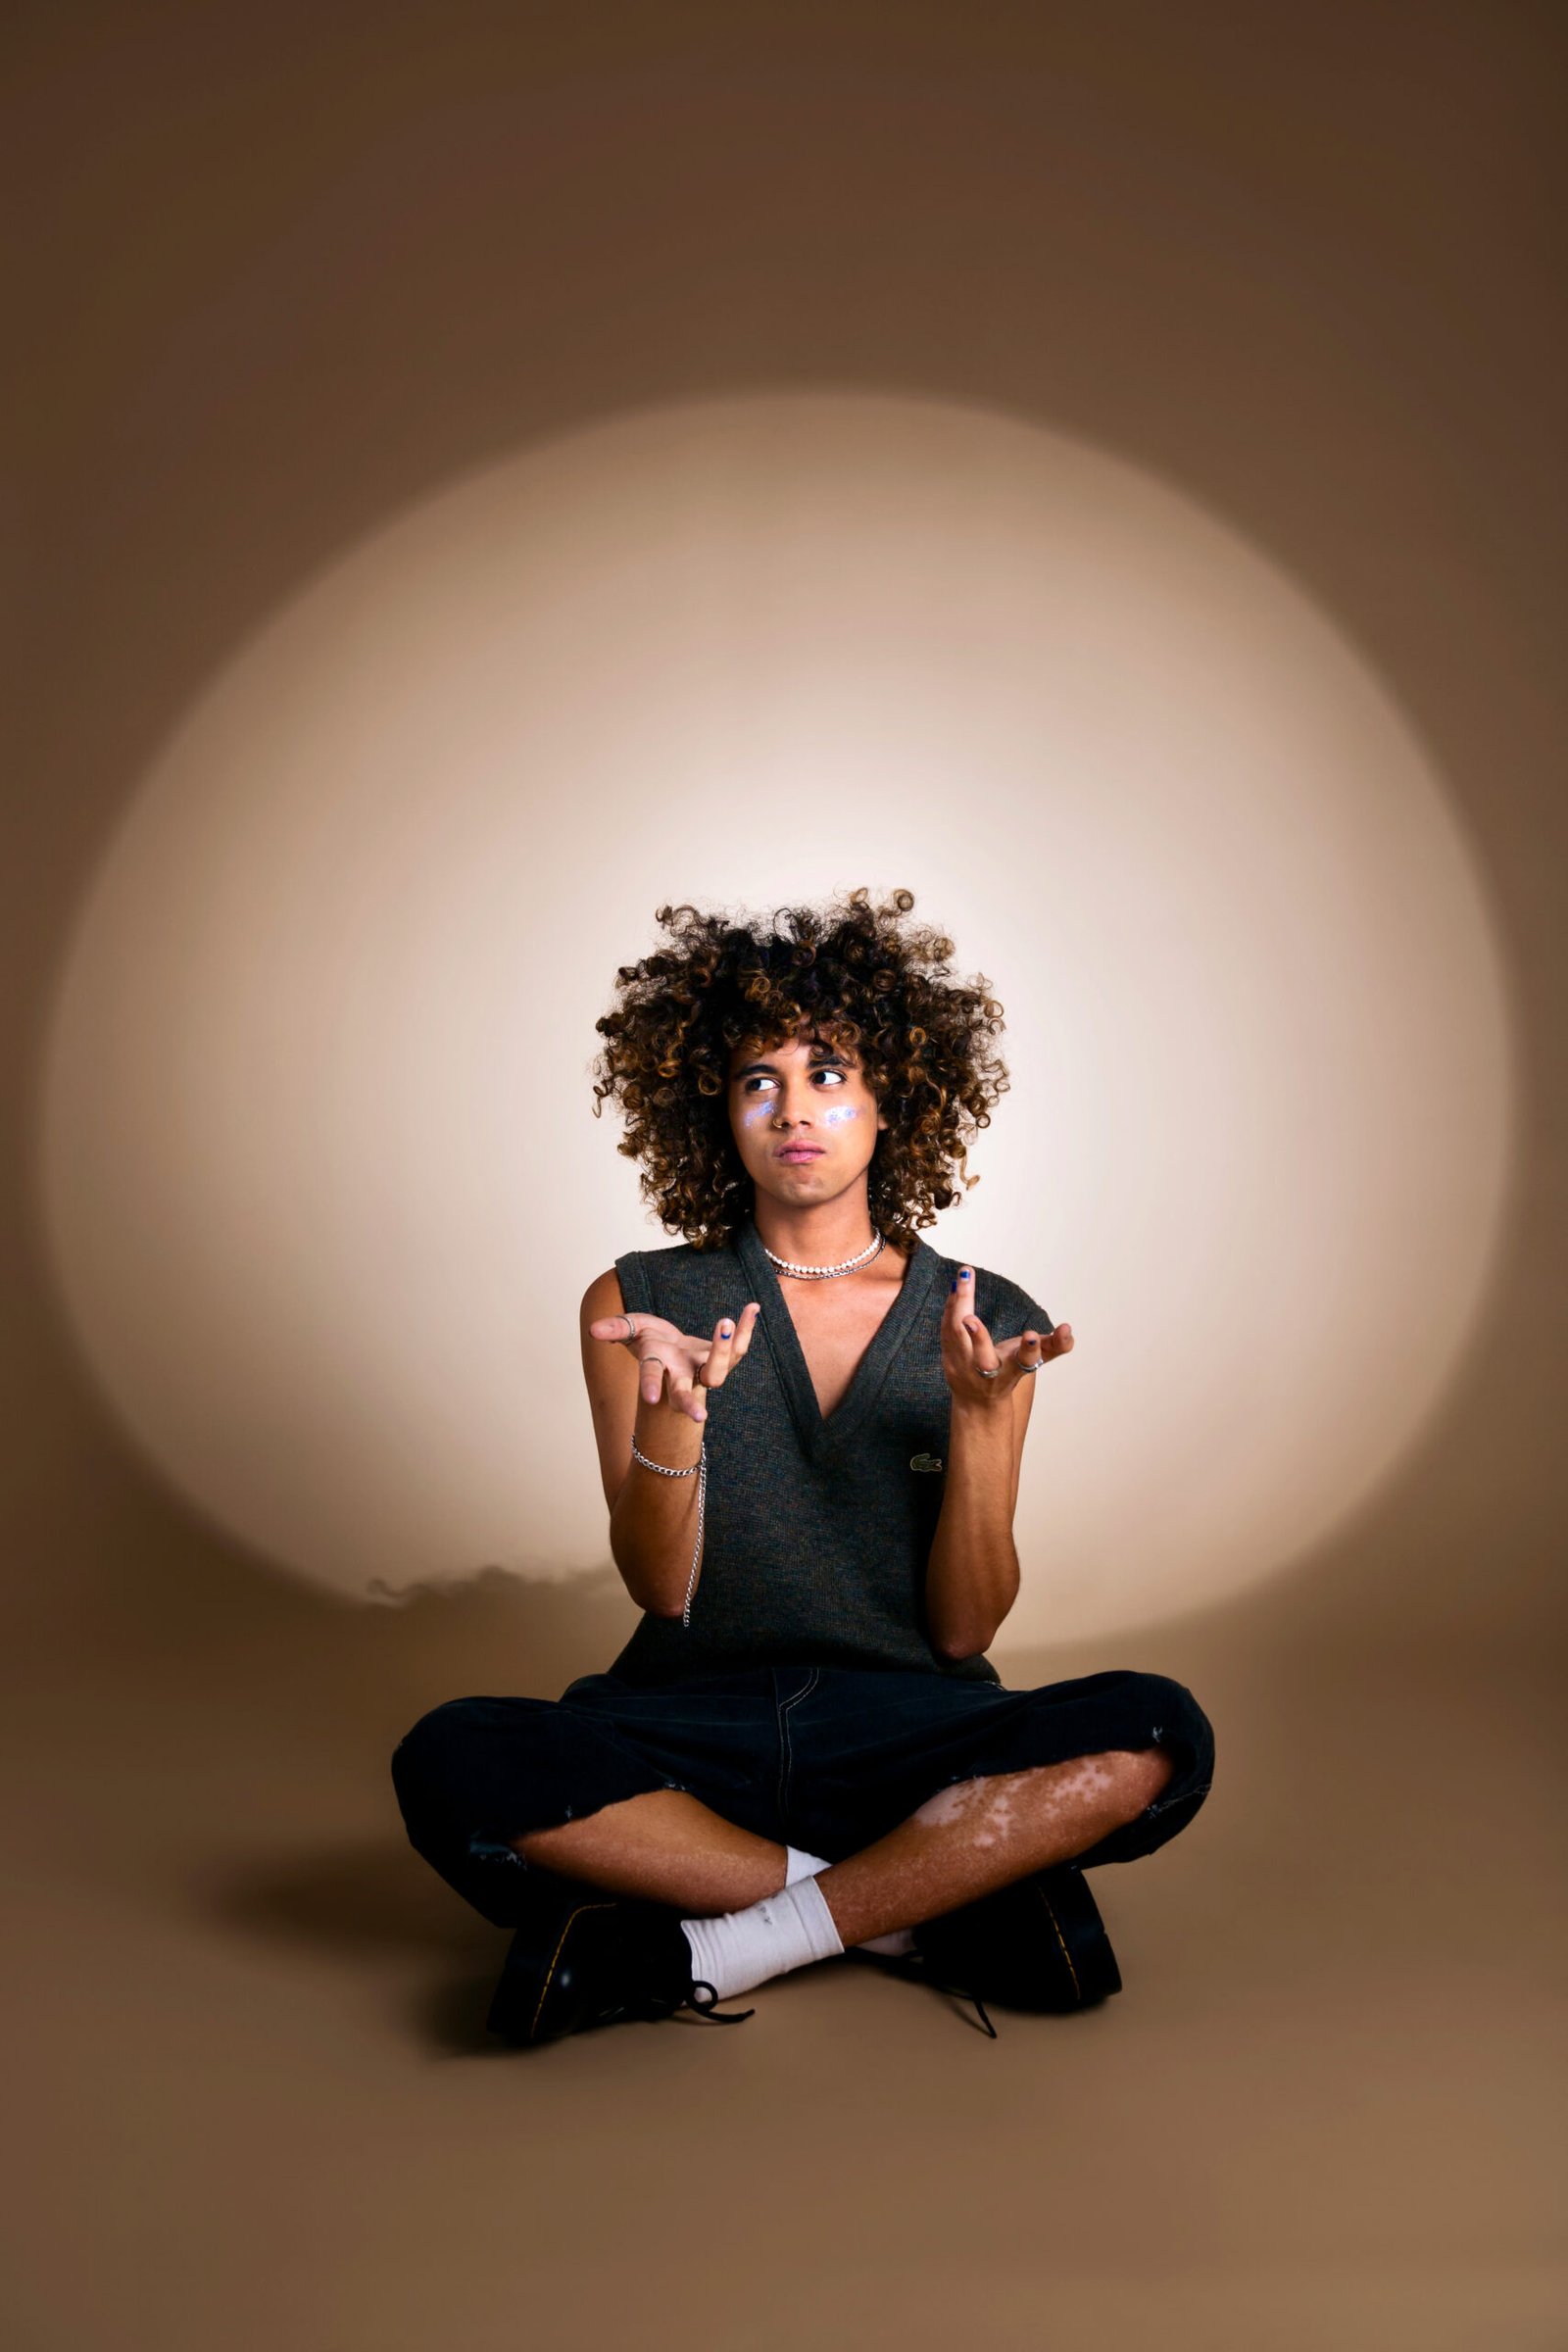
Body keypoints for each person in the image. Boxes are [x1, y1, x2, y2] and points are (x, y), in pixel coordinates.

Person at [392, 887, 1214, 2043]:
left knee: (1157, 1730)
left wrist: (981, 1424)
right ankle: (917, 1909)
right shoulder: (639, 1299)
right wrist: (675, 1421)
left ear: (891, 1101)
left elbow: (964, 1633)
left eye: (828, 1073)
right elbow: (660, 1593)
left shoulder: (983, 1317)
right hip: (688, 1732)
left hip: (912, 1737)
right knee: (452, 1756)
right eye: (756, 1080)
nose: (792, 1108)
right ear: (715, 1110)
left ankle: (706, 1945)